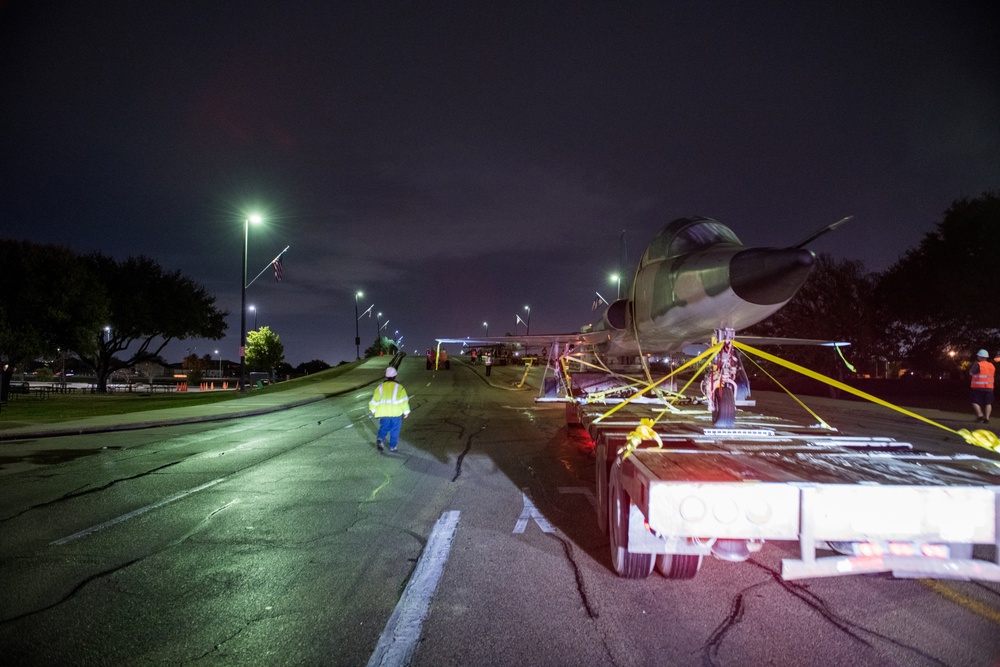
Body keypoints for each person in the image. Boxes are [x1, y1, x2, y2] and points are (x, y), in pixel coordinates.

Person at [369, 366, 411, 452]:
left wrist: (373, 410)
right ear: (395, 376)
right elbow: (404, 401)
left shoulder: (380, 387)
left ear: (386, 376)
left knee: (384, 427)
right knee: (395, 430)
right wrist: (406, 412)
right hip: (396, 414)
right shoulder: (400, 387)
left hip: (383, 413)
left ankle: (380, 439)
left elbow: (374, 400)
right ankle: (393, 446)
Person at [969, 349, 994, 424]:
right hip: (989, 388)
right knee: (988, 403)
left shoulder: (978, 364)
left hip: (978, 387)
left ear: (980, 357)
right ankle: (987, 418)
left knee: (974, 401)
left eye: (978, 356)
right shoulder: (991, 365)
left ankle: (980, 415)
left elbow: (971, 373)